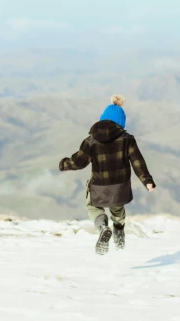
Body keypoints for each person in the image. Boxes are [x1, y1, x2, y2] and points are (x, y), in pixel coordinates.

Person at [59, 94, 156, 254]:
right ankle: (118, 230)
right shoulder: (127, 139)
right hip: (120, 187)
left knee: (93, 206)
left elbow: (79, 162)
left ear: (102, 119)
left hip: (99, 186)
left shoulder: (91, 141)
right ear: (121, 123)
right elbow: (138, 161)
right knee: (118, 210)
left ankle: (103, 227)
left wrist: (64, 164)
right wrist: (147, 180)